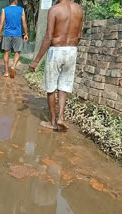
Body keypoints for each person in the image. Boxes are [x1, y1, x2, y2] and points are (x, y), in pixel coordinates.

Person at [29, 0, 83, 131]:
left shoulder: (54, 10)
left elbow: (48, 36)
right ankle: (61, 118)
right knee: (63, 87)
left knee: (51, 87)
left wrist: (36, 61)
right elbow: (79, 34)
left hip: (56, 51)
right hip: (72, 50)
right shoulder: (79, 9)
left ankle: (52, 122)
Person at [0, 0, 28, 78]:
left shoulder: (4, 10)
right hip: (17, 34)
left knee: (6, 53)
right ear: (15, 1)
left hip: (7, 34)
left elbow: (1, 23)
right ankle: (13, 67)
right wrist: (26, 34)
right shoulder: (21, 10)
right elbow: (24, 22)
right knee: (17, 52)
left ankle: (7, 72)